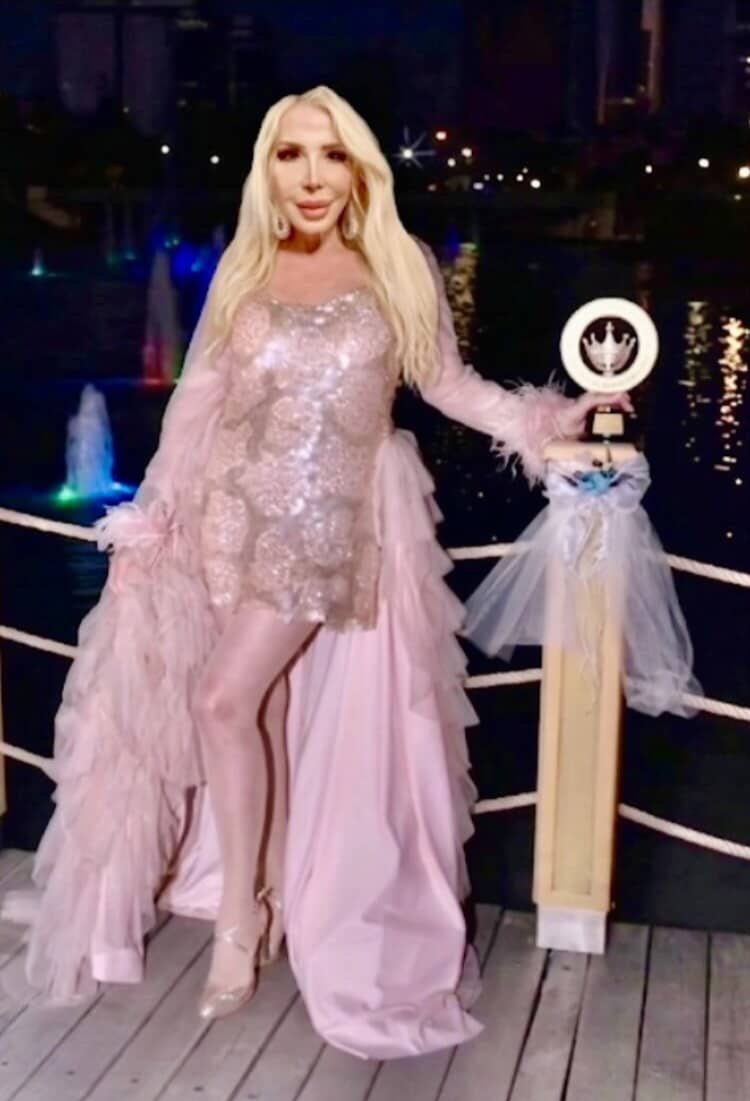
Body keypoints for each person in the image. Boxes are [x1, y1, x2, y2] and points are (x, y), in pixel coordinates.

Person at [1, 86, 630, 1060]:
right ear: (269, 167)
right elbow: (198, 399)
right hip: (230, 513)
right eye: (291, 155)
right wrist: (155, 509)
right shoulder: (247, 265)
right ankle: (272, 889)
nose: (310, 176)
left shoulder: (399, 266)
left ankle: (242, 922)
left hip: (331, 526)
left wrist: (545, 428)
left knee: (221, 700)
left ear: (359, 169)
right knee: (264, 712)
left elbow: (447, 385)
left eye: (330, 156)